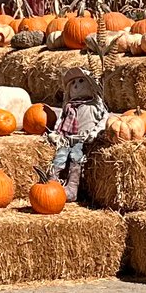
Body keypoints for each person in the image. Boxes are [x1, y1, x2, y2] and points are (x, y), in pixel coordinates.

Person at [49, 68, 107, 201]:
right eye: (73, 82)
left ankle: (72, 187)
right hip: (67, 138)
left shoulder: (94, 105)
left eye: (81, 81)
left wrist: (95, 132)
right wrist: (56, 132)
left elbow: (104, 119)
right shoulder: (69, 106)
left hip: (82, 139)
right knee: (60, 156)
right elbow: (61, 121)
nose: (76, 85)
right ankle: (51, 182)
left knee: (76, 156)